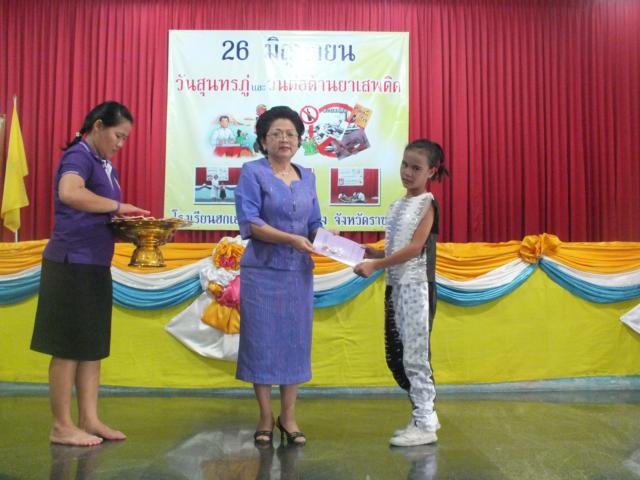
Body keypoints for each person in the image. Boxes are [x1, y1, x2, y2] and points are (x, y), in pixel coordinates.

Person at [30, 101, 150, 446]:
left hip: (95, 263)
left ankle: (89, 419)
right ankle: (61, 425)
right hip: (72, 262)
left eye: (126, 138)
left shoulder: (106, 165)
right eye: (118, 135)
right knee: (68, 347)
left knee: (91, 346)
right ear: (98, 126)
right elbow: (70, 193)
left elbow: (98, 215)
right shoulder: (79, 155)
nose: (121, 144)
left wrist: (129, 229)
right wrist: (118, 206)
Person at [234, 106, 323, 447]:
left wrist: (328, 242)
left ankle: (288, 416)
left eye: (290, 134)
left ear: (299, 140)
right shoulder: (252, 172)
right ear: (263, 140)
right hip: (262, 272)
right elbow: (251, 223)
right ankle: (265, 416)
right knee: (261, 343)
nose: (284, 139)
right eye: (276, 134)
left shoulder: (308, 176)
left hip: (298, 273)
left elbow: (314, 223)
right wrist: (290, 239)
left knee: (294, 343)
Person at [353, 139, 449, 447]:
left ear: (431, 172)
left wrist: (376, 265)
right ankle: (425, 414)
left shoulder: (427, 203)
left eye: (416, 168)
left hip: (417, 287)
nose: (408, 172)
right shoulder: (397, 205)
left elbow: (415, 249)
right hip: (396, 286)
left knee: (415, 356)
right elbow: (398, 249)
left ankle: (425, 422)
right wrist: (375, 252)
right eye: (405, 165)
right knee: (397, 356)